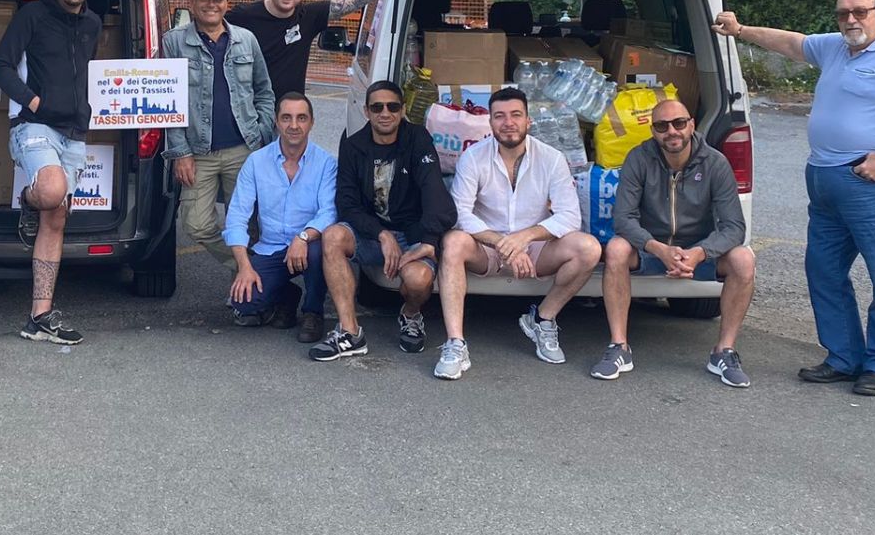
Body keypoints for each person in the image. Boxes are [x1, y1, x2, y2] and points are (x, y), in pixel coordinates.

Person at [715, 0, 875, 396]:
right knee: (823, 271)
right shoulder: (836, 48)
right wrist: (740, 30)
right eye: (843, 13)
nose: (851, 20)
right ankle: (843, 357)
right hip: (826, 181)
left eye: (860, 12)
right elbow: (792, 42)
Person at [437, 86, 601, 381]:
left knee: (588, 248)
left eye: (516, 115)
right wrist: (502, 242)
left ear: (529, 121)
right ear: (490, 123)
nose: (508, 122)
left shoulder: (551, 158)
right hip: (485, 247)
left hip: (536, 248)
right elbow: (459, 214)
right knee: (452, 242)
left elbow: (569, 216)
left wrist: (524, 238)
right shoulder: (473, 157)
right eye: (499, 116)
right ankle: (455, 344)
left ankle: (543, 317)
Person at [595, 95, 758, 387]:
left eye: (679, 123)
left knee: (744, 258)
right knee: (617, 249)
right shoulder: (638, 158)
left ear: (691, 125)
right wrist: (658, 248)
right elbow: (623, 219)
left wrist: (699, 252)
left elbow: (734, 227)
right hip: (651, 249)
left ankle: (724, 351)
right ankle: (619, 347)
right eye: (662, 125)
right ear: (653, 131)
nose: (672, 131)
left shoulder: (716, 164)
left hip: (699, 252)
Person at [0, 0, 103, 345]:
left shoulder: (92, 23)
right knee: (50, 192)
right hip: (34, 127)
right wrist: (34, 102)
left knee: (56, 218)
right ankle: (27, 197)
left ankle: (39, 316)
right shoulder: (32, 17)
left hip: (73, 132)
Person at [317, 80, 456, 360]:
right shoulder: (354, 146)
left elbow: (434, 191)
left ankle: (411, 314)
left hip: (412, 232)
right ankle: (350, 331)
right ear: (367, 111)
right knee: (332, 236)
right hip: (372, 235)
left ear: (402, 110)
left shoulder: (418, 138)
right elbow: (347, 204)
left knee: (418, 280)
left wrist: (428, 241)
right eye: (377, 107)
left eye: (392, 107)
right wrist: (381, 234)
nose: (385, 113)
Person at [162, 0, 276, 267]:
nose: (210, 4)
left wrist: (263, 134)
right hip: (197, 154)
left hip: (244, 149)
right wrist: (180, 153)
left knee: (250, 224)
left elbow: (264, 91)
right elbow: (167, 102)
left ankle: (251, 298)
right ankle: (249, 273)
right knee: (196, 224)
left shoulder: (245, 40)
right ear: (192, 2)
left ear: (227, 3)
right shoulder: (173, 42)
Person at [223, 92, 338, 331]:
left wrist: (303, 237)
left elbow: (329, 212)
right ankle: (287, 296)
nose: (294, 125)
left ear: (312, 122)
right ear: (276, 121)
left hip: (308, 246)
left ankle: (312, 312)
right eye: (286, 118)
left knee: (320, 251)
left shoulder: (327, 163)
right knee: (244, 302)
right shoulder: (256, 162)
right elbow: (236, 216)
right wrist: (244, 266)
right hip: (271, 247)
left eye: (301, 118)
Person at [228, 0, 394, 101]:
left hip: (291, 115)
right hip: (252, 113)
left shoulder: (309, 16)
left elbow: (355, 0)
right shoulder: (244, 15)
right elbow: (208, 28)